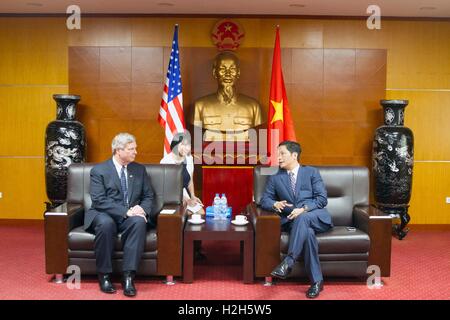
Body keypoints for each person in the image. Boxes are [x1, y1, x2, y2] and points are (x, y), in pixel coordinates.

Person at [260, 141, 333, 299]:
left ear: (294, 155)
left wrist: (304, 209)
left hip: (315, 216)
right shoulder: (275, 177)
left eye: (282, 154)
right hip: (294, 222)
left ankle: (289, 261)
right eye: (277, 154)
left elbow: (322, 199)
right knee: (307, 233)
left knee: (304, 217)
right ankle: (316, 282)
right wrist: (275, 203)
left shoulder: (311, 172)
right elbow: (264, 199)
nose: (278, 157)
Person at [84, 133, 154, 297]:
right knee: (106, 224)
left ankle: (128, 276)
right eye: (131, 149)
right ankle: (105, 275)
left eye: (135, 148)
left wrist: (141, 210)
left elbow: (148, 196)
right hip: (104, 213)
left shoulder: (139, 169)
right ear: (118, 150)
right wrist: (126, 211)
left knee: (138, 222)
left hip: (129, 216)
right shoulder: (99, 170)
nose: (135, 152)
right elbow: (99, 200)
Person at [192, 51, 263, 141]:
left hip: (243, 154)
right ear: (214, 73)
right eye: (222, 69)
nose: (228, 74)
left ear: (238, 73)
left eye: (232, 69)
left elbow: (257, 141)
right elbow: (197, 141)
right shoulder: (200, 106)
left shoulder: (253, 107)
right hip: (210, 153)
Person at [160, 132, 206, 260]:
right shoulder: (166, 161)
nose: (186, 148)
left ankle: (196, 249)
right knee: (188, 214)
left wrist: (193, 196)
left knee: (201, 212)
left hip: (184, 194)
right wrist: (185, 200)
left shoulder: (189, 158)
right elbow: (169, 186)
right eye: (183, 145)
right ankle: (183, 251)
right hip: (169, 197)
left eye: (188, 145)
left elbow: (190, 179)